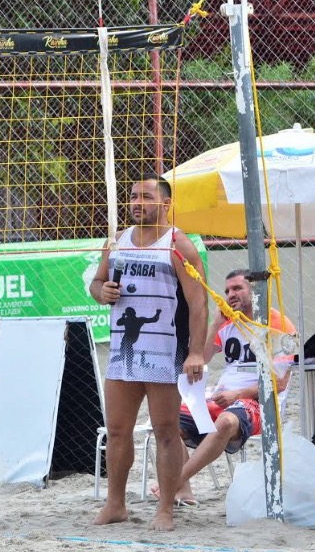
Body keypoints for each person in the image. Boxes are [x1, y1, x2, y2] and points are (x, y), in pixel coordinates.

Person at [89, 174, 208, 532]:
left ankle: (166, 510)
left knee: (166, 431)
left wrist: (196, 353)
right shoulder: (116, 243)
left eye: (146, 196)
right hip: (124, 351)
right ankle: (116, 505)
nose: (137, 202)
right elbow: (96, 283)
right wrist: (102, 292)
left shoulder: (178, 244)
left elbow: (198, 302)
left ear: (166, 204)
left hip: (165, 351)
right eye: (133, 196)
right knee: (118, 430)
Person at [150, 269, 295, 505]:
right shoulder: (228, 323)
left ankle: (173, 481)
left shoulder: (280, 324)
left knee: (227, 421)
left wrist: (237, 394)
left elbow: (280, 383)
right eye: (227, 291)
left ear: (255, 290)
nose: (230, 295)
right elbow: (203, 357)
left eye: (237, 288)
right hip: (222, 398)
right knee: (168, 422)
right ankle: (184, 492)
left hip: (259, 403)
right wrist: (216, 322)